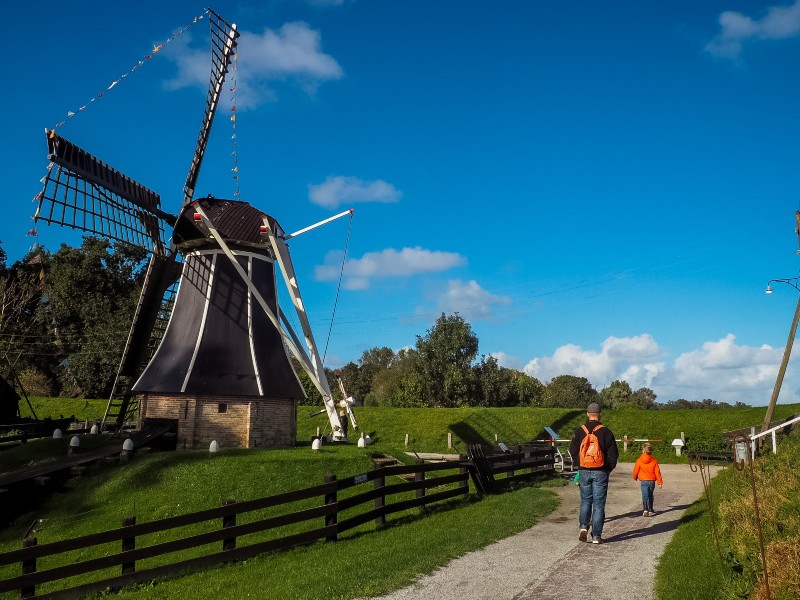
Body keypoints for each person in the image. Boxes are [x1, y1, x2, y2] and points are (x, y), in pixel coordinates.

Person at [569, 402, 618, 544]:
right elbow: (613, 455)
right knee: (599, 503)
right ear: (600, 414)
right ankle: (596, 535)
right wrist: (607, 469)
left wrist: (581, 464)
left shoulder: (579, 431)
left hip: (584, 470)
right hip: (601, 471)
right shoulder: (606, 432)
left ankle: (583, 527)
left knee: (585, 500)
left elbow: (572, 451)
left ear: (587, 414)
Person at [633, 442, 663, 516]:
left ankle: (645, 509)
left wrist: (635, 477)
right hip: (652, 481)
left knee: (645, 494)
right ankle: (650, 509)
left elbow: (635, 470)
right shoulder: (654, 461)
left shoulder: (639, 460)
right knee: (650, 494)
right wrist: (660, 482)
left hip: (643, 481)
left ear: (643, 450)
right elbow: (657, 472)